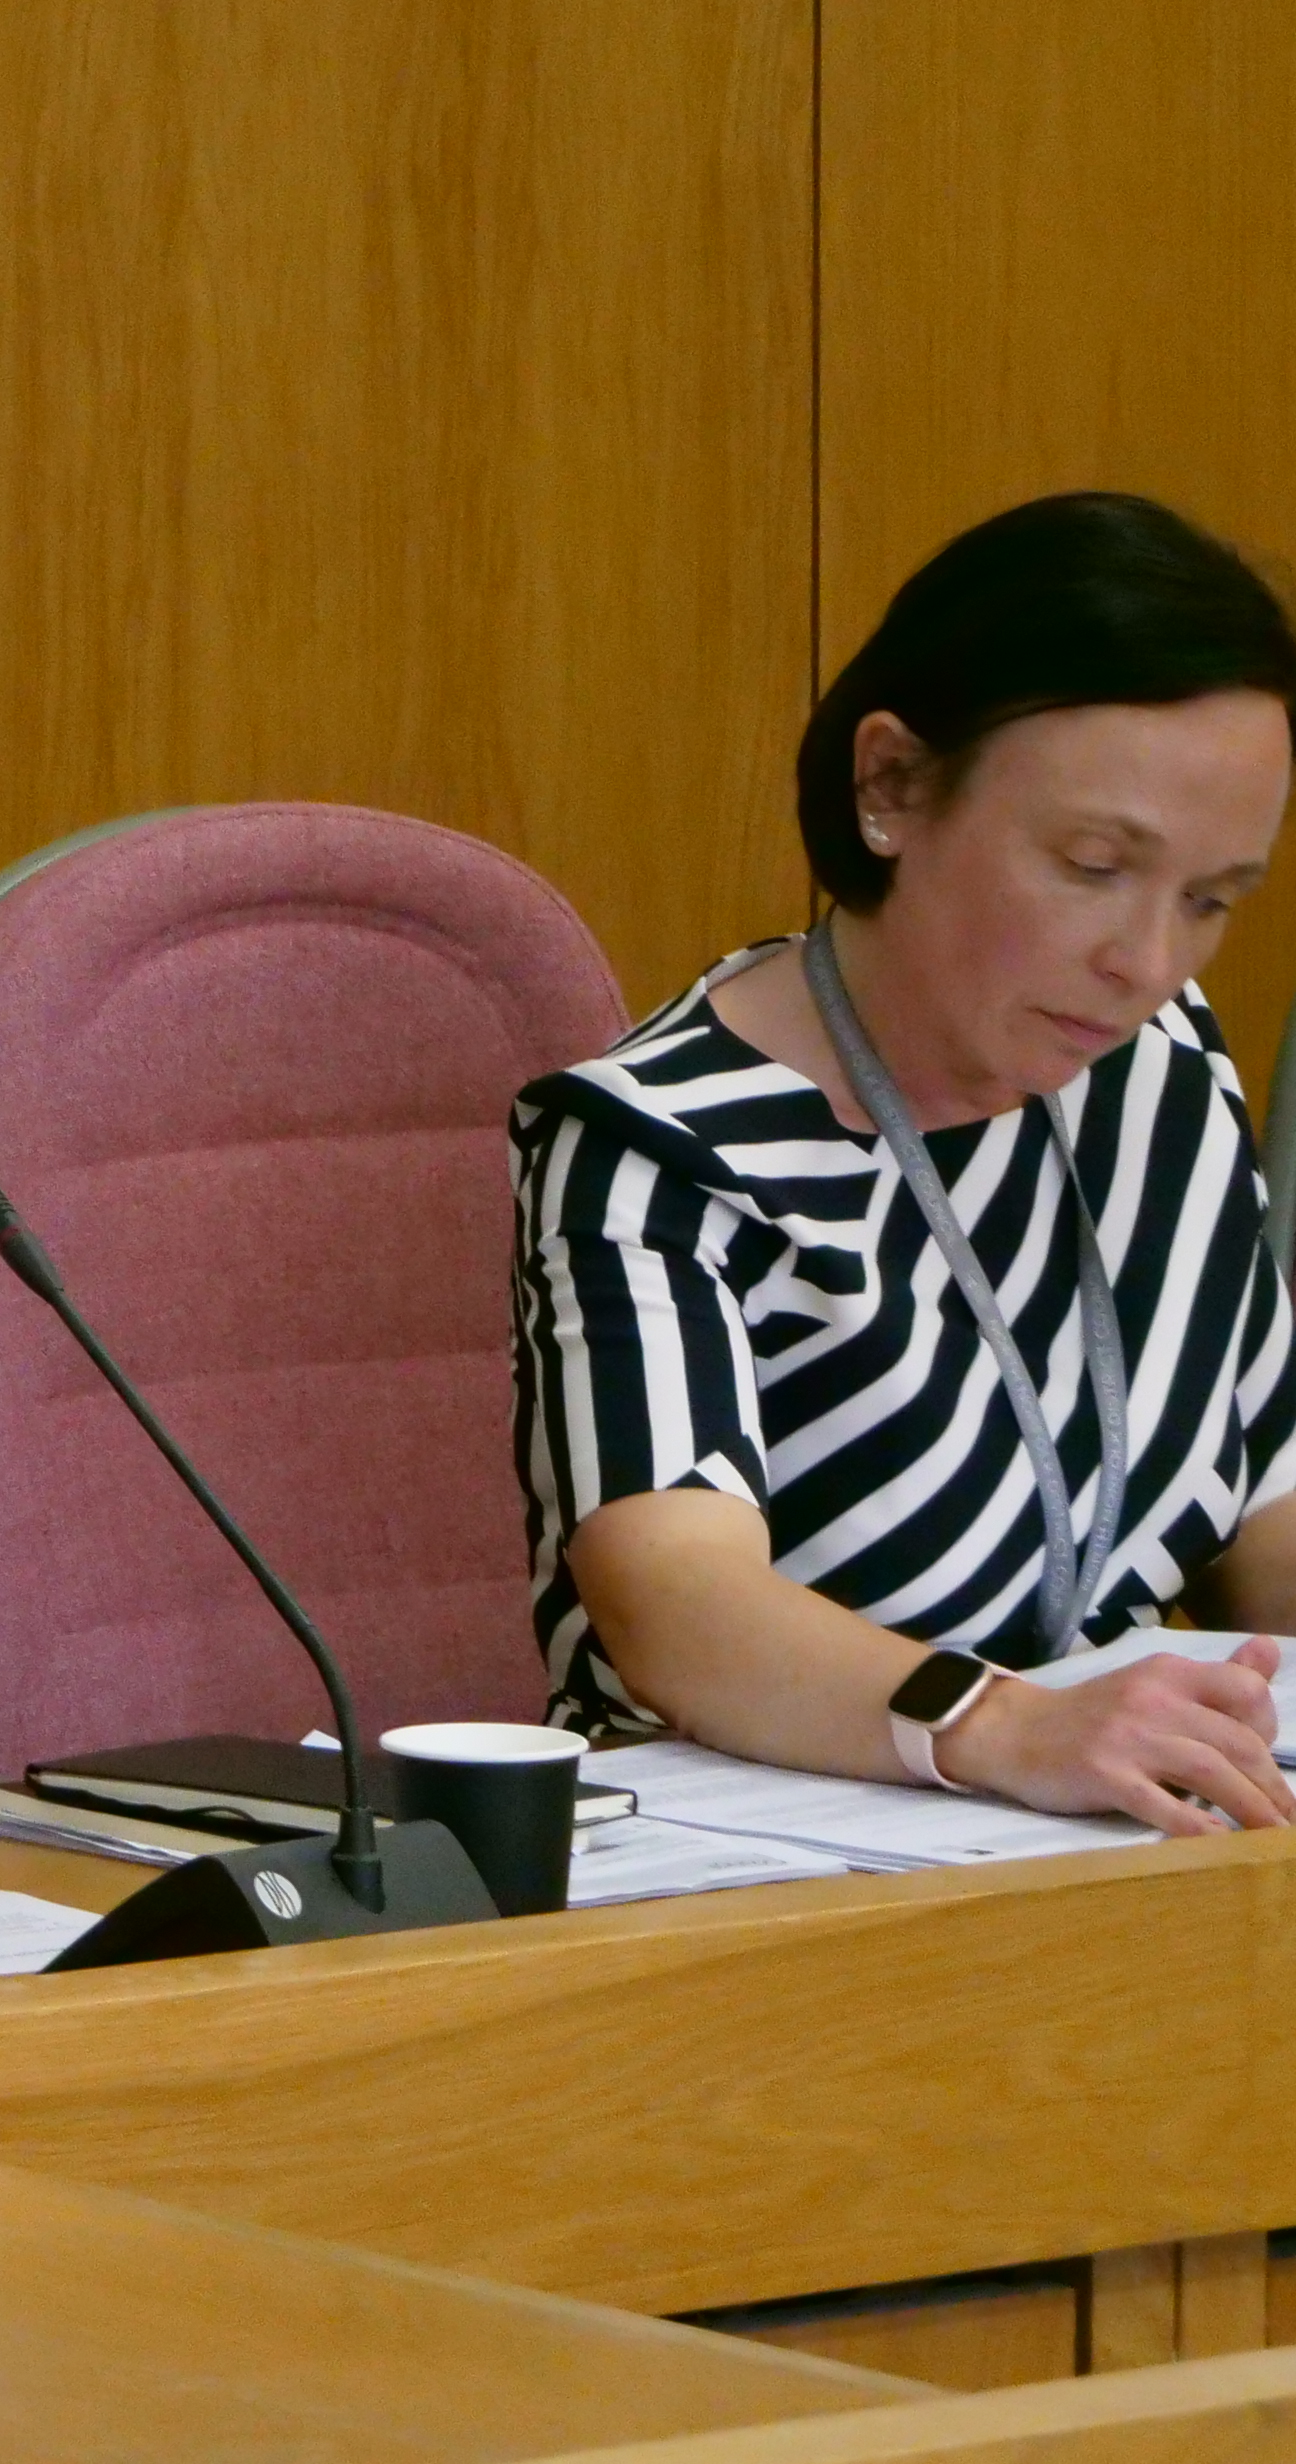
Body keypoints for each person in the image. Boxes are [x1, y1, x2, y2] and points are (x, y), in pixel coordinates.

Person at [518, 493, 1296, 1829]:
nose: (1149, 961)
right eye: (1095, 866)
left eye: (1213, 900)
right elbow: (681, 1613)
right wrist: (1006, 1724)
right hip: (747, 1862)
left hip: (1099, 1842)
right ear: (891, 786)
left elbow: (1258, 1497)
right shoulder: (657, 1139)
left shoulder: (1156, 1060)